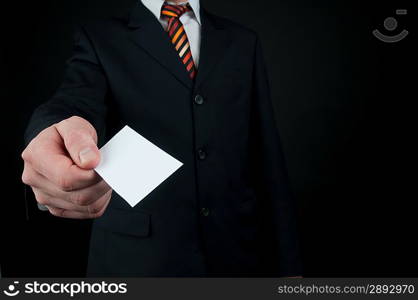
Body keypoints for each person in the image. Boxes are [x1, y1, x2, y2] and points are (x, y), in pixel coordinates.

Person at [21, 0, 302, 277]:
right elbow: (74, 101)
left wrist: (289, 267)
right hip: (139, 260)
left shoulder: (243, 41)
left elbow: (267, 157)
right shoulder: (100, 37)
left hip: (237, 255)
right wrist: (53, 129)